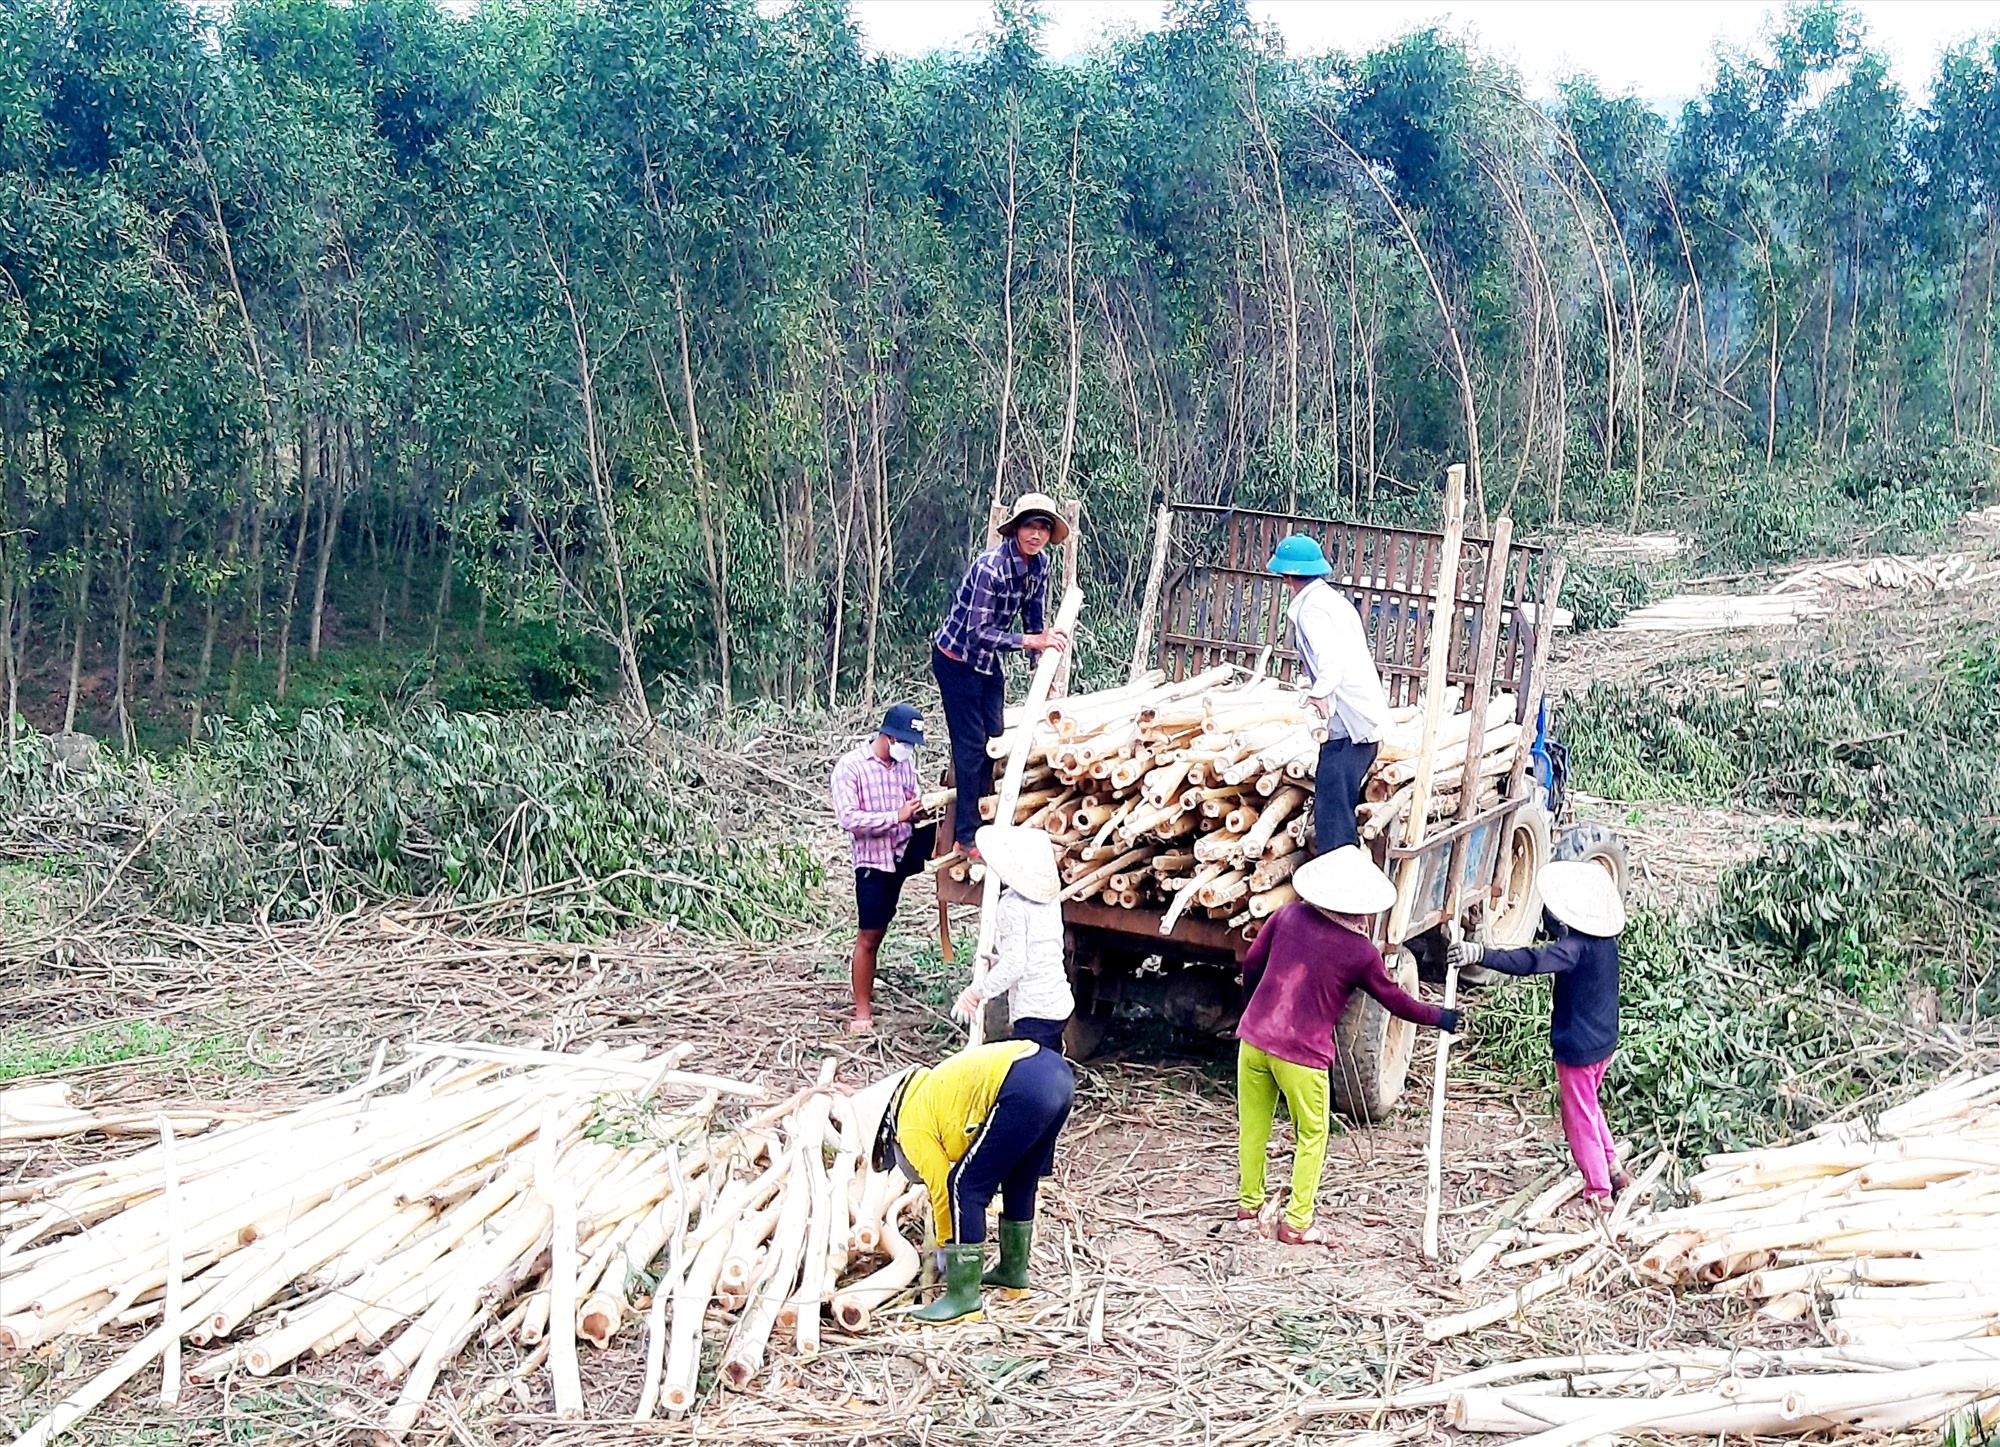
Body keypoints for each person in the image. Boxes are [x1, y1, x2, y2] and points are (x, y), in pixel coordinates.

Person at [1236, 846, 1459, 1247]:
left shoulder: (1286, 915)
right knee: (1313, 1133)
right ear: (1362, 910)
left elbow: (1252, 961)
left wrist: (1252, 1008)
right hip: (1301, 1056)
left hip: (1253, 1040)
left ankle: (1249, 1206)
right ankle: (1297, 1223)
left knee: (1254, 1126)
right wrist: (1439, 1017)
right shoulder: (1360, 952)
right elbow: (1395, 1000)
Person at [849, 1037, 1074, 1324]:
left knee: (964, 1185)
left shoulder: (909, 1123)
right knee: (1020, 1176)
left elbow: (943, 1187)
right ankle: (1013, 1275)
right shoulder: (928, 1092)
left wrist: (947, 1244)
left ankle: (963, 1297)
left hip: (1023, 1082)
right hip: (1055, 1075)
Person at [1448, 861, 1628, 1216]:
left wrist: (1481, 953)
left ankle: (1598, 1192)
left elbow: (1531, 961)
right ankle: (1615, 1170)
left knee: (1577, 1116)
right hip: (1604, 1040)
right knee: (1590, 1106)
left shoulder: (1572, 950)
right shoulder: (1605, 942)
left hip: (1578, 1046)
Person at [932, 493, 1072, 860]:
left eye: (1043, 528)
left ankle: (986, 815)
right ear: (1016, 530)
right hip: (957, 659)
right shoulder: (989, 569)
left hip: (987, 660)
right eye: (1030, 526)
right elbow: (978, 632)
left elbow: (1034, 619)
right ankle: (967, 836)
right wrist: (1030, 640)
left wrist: (1039, 662)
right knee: (970, 745)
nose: (1036, 535)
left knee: (995, 739)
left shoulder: (1039, 567)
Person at [1266, 534, 1392, 855]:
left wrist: (1320, 692)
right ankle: (1337, 865)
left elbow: (1332, 659)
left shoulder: (1313, 610)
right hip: (1350, 722)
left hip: (1354, 727)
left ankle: (1340, 875)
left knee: (1334, 807)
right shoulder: (1331, 601)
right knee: (1330, 793)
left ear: (1287, 576)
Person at [830, 703, 936, 1034]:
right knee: (870, 935)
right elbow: (849, 819)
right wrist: (897, 816)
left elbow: (911, 798)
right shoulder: (851, 767)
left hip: (905, 849)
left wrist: (917, 812)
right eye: (904, 743)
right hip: (874, 861)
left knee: (944, 829)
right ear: (888, 737)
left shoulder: (905, 765)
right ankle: (862, 1011)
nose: (907, 751)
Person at [953, 824, 1074, 1053]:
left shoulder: (1011, 906)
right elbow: (1040, 947)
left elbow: (1014, 966)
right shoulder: (1050, 898)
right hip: (1058, 1001)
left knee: (1033, 1075)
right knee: (1049, 1061)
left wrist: (975, 992)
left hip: (1035, 1010)